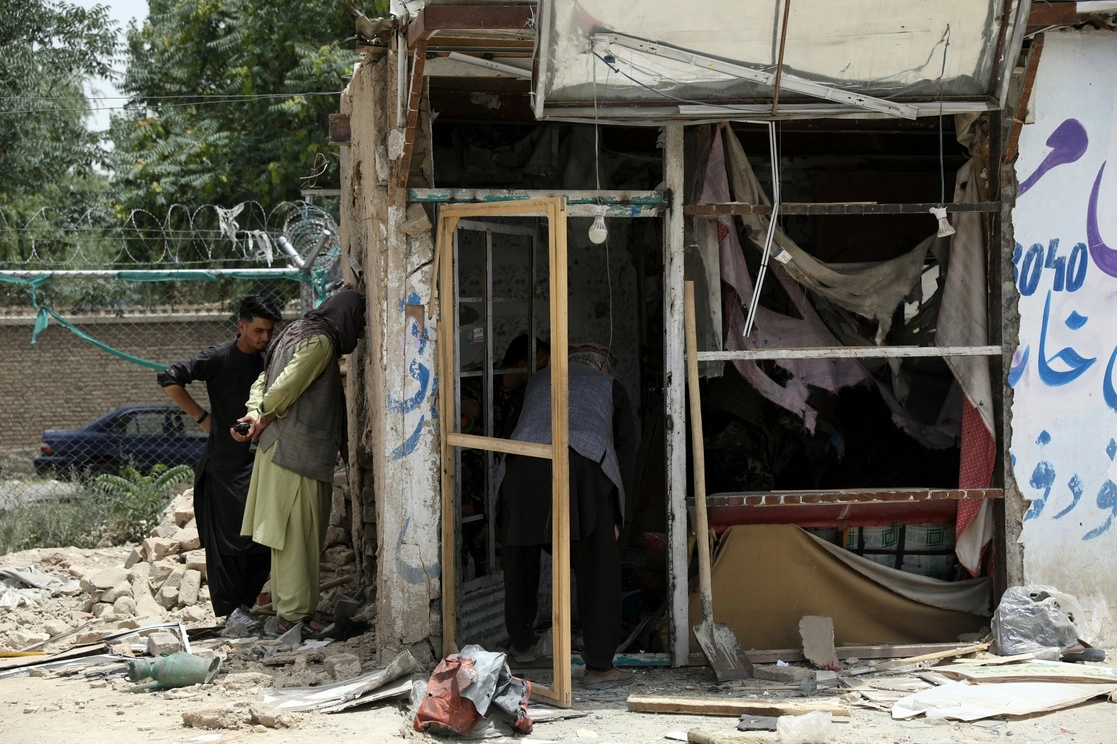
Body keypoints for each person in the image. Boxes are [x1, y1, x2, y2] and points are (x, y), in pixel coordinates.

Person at [499, 343, 637, 689]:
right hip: (582, 463)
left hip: (523, 461)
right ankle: (600, 666)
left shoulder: (538, 380)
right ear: (601, 367)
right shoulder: (610, 386)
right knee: (599, 564)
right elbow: (625, 452)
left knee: (521, 558)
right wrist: (618, 517)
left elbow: (518, 426)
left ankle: (522, 648)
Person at [232, 289, 366, 638]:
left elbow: (262, 381)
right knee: (298, 538)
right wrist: (263, 413)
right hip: (296, 455)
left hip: (278, 451)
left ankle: (292, 611)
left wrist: (254, 413)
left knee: (290, 538)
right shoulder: (320, 343)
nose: (360, 333)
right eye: (359, 324)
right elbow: (284, 388)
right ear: (346, 317)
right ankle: (293, 618)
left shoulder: (296, 330)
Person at [157, 294, 283, 629]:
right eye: (258, 331)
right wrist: (203, 419)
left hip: (262, 461)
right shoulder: (219, 357)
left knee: (262, 538)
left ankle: (246, 605)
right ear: (241, 326)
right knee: (230, 539)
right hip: (226, 463)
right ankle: (231, 611)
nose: (264, 338)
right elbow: (169, 378)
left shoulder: (269, 358)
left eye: (269, 331)